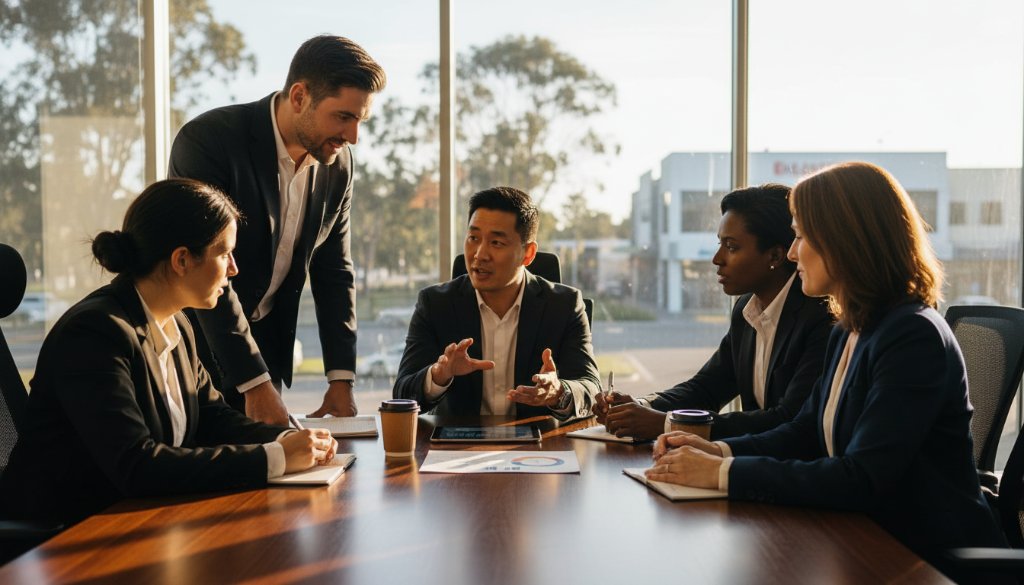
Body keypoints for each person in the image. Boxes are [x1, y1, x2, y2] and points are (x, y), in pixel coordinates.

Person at [645, 162, 1005, 573]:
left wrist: (722, 472)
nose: (793, 251)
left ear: (844, 240)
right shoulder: (850, 328)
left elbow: (861, 478)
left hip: (925, 558)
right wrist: (717, 450)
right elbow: (804, 431)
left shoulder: (912, 336)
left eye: (800, 236)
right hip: (863, 539)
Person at [0, 179, 337, 525]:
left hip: (140, 518)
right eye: (224, 253)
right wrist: (276, 458)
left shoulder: (178, 325)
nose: (234, 268)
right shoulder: (94, 334)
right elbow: (137, 466)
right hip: (69, 537)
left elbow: (213, 418)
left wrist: (290, 440)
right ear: (181, 260)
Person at [168, 35, 387, 425]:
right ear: (300, 96)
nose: (353, 137)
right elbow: (207, 269)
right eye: (343, 117)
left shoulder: (339, 166)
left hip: (266, 353)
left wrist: (341, 379)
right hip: (192, 351)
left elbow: (334, 270)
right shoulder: (209, 142)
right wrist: (254, 384)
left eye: (360, 120)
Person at [597, 184, 832, 441]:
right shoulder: (746, 309)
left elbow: (788, 419)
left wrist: (668, 424)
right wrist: (642, 406)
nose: (717, 259)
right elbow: (707, 388)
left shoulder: (821, 316)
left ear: (775, 255)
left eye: (731, 247)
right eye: (720, 244)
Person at [392, 186, 600, 418]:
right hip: (458, 445)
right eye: (473, 238)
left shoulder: (564, 306)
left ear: (528, 254)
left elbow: (591, 388)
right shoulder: (435, 304)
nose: (480, 254)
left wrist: (559, 392)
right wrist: (438, 375)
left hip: (539, 448)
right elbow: (402, 393)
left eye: (496, 243)